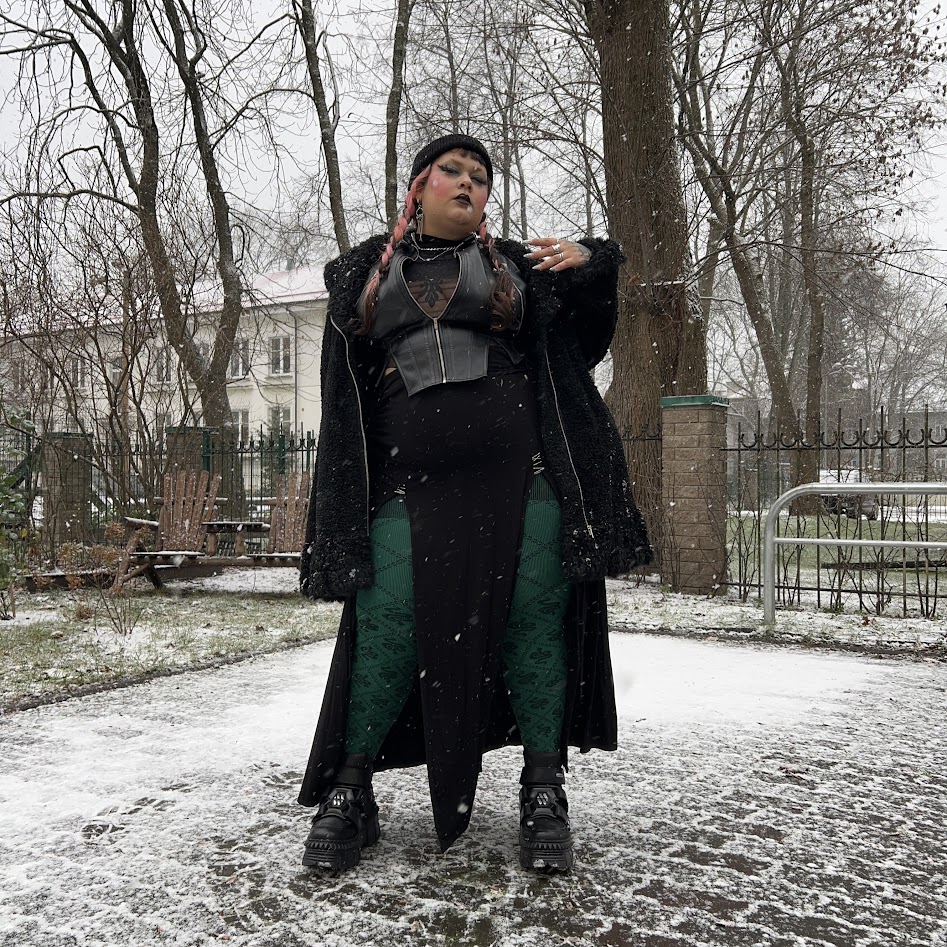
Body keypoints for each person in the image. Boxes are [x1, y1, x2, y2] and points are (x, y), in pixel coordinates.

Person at [297, 134, 651, 873]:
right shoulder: (363, 272)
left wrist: (592, 261)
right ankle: (352, 790)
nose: (467, 183)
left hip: (525, 481)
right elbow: (342, 389)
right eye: (451, 171)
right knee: (387, 624)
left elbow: (585, 340)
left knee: (533, 621)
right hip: (404, 487)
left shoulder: (519, 268)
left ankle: (544, 788)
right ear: (417, 186)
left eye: (480, 177)